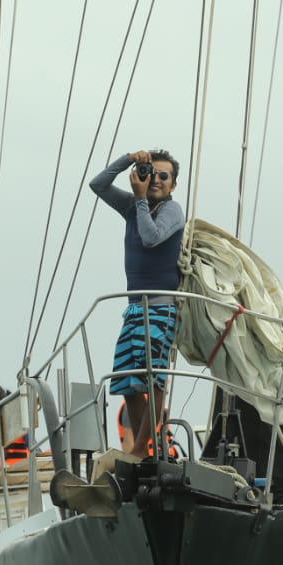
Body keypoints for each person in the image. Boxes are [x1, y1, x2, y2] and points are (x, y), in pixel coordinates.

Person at [90, 147, 185, 459]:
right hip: (133, 308)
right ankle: (147, 446)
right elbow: (98, 184)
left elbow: (151, 237)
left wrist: (141, 199)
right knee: (127, 380)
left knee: (153, 378)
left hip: (160, 307)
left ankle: (140, 451)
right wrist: (128, 160)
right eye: (151, 173)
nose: (155, 180)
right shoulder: (133, 205)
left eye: (163, 176)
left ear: (172, 184)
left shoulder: (172, 211)